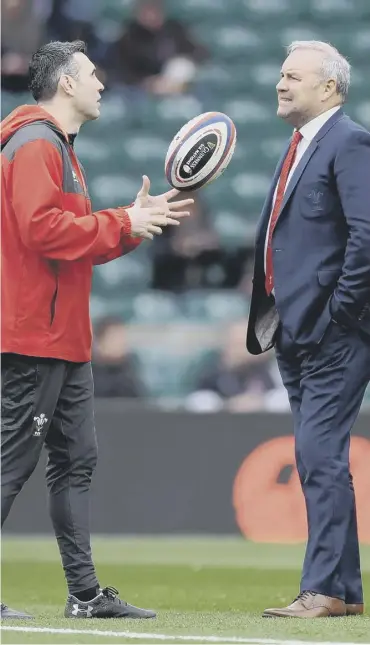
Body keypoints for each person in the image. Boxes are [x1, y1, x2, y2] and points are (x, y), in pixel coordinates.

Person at [1, 39, 193, 620]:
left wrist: (132, 226)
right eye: (91, 74)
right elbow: (42, 230)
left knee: (76, 459)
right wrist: (120, 220)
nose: (101, 83)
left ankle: (84, 594)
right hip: (35, 336)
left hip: (63, 337)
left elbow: (71, 238)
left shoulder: (56, 147)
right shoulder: (36, 143)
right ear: (65, 84)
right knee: (10, 463)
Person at [247, 40, 370, 618]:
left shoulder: (349, 141)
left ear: (330, 88)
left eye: (293, 76)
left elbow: (366, 238)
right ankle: (343, 592)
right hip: (296, 331)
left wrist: (339, 314)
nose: (281, 83)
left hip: (333, 332)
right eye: (280, 74)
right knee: (320, 458)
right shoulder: (299, 145)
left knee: (318, 454)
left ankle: (322, 588)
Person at [92, 317, 146, 398]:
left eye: (122, 338)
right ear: (100, 343)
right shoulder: (89, 376)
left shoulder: (130, 371)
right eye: (114, 338)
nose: (121, 343)